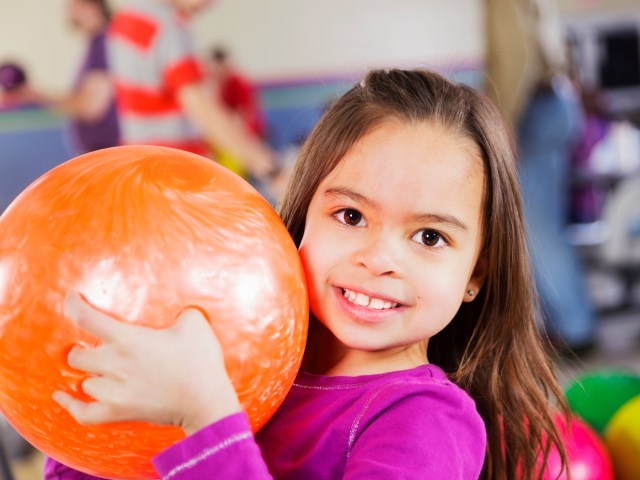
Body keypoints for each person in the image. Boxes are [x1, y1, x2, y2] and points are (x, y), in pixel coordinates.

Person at [44, 69, 569, 479]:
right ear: (301, 219)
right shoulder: (237, 363)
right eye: (351, 216)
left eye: (430, 237)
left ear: (477, 272)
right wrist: (84, 419)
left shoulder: (425, 422)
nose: (379, 258)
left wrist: (205, 419)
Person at [485, 0, 597, 353]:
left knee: (539, 229)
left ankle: (577, 329)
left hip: (534, 110)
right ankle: (560, 327)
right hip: (549, 105)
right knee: (535, 230)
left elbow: (517, 54)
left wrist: (504, 116)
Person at [107, 0, 276, 180]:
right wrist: (269, 168)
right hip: (176, 164)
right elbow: (200, 107)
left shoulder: (124, 20)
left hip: (138, 161)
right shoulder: (169, 27)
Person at [27, 0, 120, 154]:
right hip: (101, 151)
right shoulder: (96, 43)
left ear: (91, 7)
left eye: (72, 6)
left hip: (108, 151)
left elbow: (91, 106)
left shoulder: (103, 42)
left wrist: (36, 96)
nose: (67, 12)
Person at [208, 45, 267, 139]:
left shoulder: (238, 82)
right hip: (233, 130)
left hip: (250, 133)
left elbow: (244, 113)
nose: (215, 72)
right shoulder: (217, 85)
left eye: (220, 67)